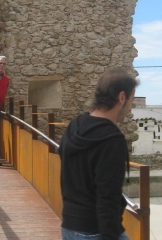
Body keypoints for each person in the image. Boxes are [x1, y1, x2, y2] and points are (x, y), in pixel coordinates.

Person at [58, 68, 139, 240]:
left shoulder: (75, 126)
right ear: (122, 97)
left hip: (69, 226)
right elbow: (108, 195)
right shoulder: (112, 139)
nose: (130, 108)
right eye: (132, 100)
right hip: (96, 230)